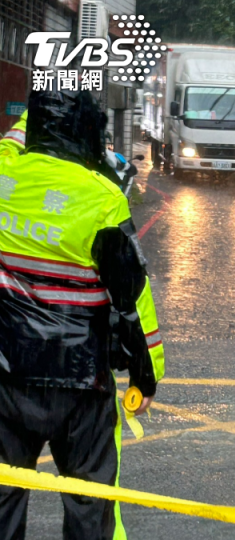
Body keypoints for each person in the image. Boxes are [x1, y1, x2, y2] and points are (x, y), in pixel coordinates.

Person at [0, 90, 165, 540]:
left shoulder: (4, 171)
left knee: (2, 498)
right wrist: (145, 375)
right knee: (92, 507)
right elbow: (132, 296)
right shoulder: (103, 199)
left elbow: (15, 138)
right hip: (82, 385)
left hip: (7, 376)